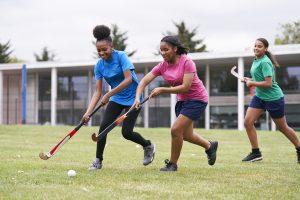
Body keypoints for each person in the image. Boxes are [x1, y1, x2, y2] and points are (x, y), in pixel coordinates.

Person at [133, 35, 218, 172]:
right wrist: (137, 98)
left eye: (166, 49)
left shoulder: (187, 62)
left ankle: (172, 164)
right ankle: (209, 146)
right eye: (161, 50)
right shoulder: (162, 66)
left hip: (197, 99)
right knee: (187, 135)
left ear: (175, 49)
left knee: (175, 130)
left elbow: (186, 87)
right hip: (182, 101)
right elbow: (143, 81)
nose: (163, 52)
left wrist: (162, 89)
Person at [82, 25, 155, 170]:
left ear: (111, 46)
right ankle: (98, 161)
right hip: (117, 98)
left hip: (133, 97)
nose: (102, 53)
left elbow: (128, 79)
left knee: (126, 132)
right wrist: (88, 113)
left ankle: (148, 145)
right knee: (103, 128)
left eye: (105, 49)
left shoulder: (121, 56)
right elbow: (97, 92)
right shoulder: (99, 65)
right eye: (99, 51)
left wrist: (109, 94)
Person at [243, 38, 300, 163]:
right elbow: (259, 77)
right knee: (248, 122)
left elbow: (268, 83)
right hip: (259, 97)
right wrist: (250, 79)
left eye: (260, 46)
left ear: (265, 49)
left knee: (282, 127)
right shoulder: (256, 60)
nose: (256, 48)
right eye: (255, 45)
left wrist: (252, 83)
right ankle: (256, 153)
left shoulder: (265, 62)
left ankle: (299, 148)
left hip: (273, 98)